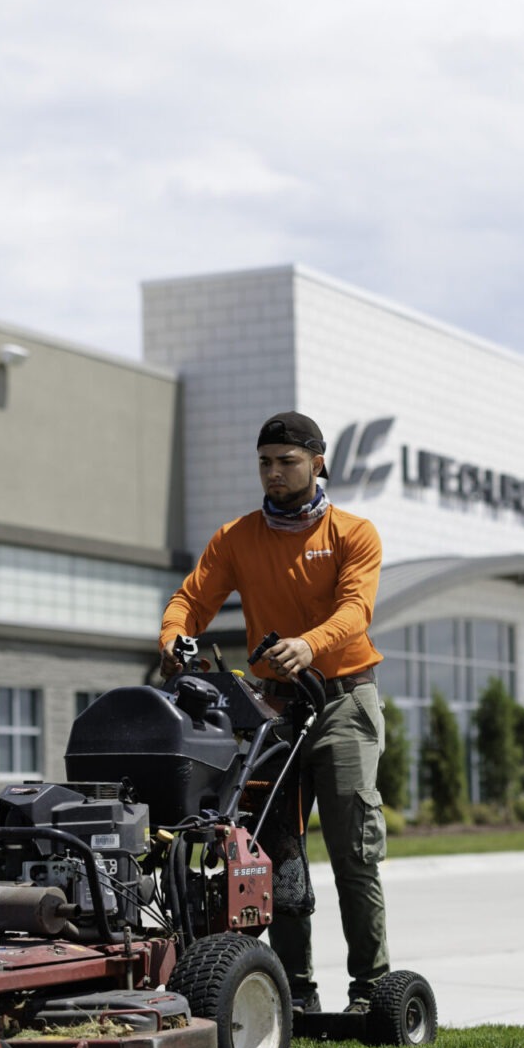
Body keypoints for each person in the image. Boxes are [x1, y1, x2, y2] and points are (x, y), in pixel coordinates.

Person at [160, 411, 390, 1013]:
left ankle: (370, 987)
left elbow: (355, 612)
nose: (274, 473)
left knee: (352, 848)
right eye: (265, 462)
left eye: (287, 461)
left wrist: (309, 644)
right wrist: (173, 639)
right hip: (271, 712)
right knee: (274, 851)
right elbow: (191, 599)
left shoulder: (353, 533)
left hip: (343, 700)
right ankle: (296, 992)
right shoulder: (237, 537)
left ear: (318, 465)